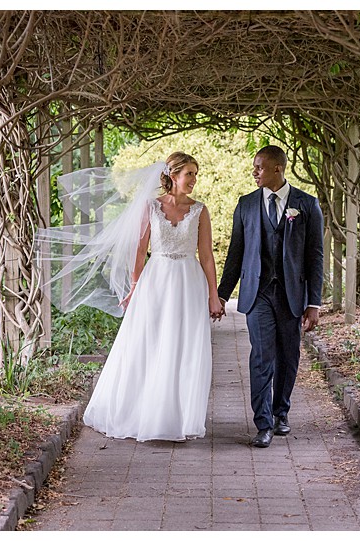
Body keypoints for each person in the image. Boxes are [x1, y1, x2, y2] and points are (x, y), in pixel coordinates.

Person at [37, 152, 223, 442]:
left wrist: (214, 295)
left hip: (189, 282)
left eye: (196, 174)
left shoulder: (200, 210)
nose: (194, 180)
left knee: (183, 348)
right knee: (148, 345)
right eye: (190, 174)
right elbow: (139, 251)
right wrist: (135, 288)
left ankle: (175, 417)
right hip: (156, 280)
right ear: (173, 176)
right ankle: (141, 413)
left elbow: (207, 257)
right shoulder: (150, 207)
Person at [217, 145, 324, 448]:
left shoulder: (307, 204)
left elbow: (315, 257)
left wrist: (313, 303)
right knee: (262, 356)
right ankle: (263, 423)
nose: (255, 173)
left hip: (292, 294)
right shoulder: (246, 205)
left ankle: (281, 412)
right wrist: (222, 295)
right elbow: (235, 255)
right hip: (258, 294)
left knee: (289, 356)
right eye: (254, 167)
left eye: (260, 167)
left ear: (278, 168)